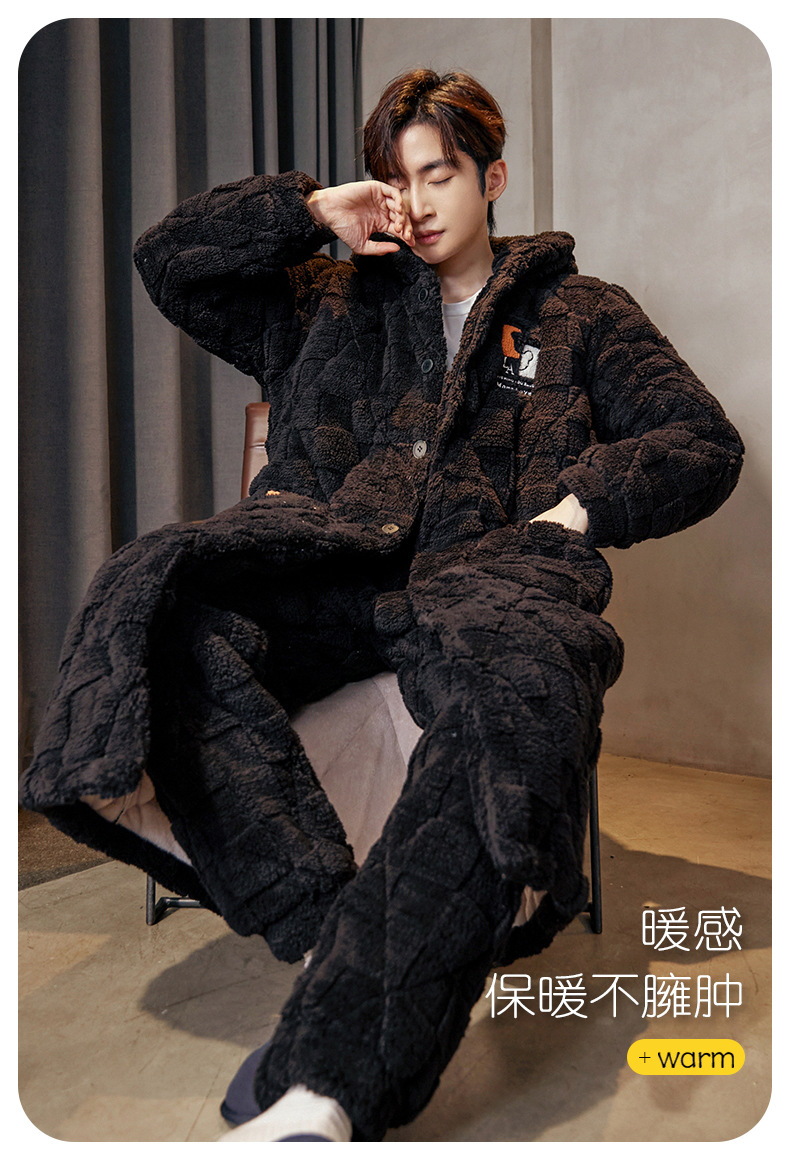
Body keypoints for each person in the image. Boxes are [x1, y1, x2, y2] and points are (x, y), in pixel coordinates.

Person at [20, 69, 744, 1142]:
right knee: (166, 600)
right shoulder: (326, 298)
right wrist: (313, 210)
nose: (419, 201)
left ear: (492, 178)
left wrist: (576, 511)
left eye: (440, 173)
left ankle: (326, 1087)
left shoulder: (581, 311)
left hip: (496, 579)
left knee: (519, 702)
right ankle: (336, 927)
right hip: (327, 570)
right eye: (400, 179)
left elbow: (703, 439)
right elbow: (169, 262)